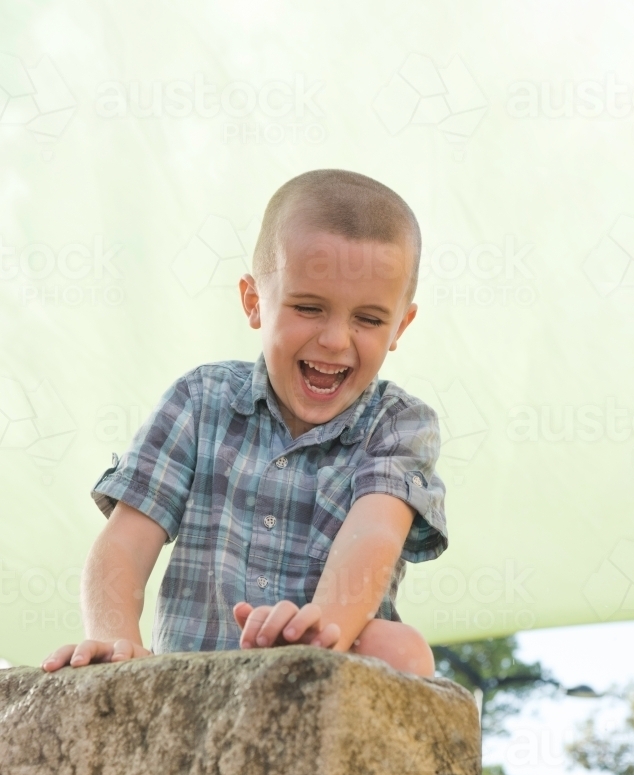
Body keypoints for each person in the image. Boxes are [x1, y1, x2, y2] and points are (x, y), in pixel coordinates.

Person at [41, 168, 447, 678]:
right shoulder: (201, 400)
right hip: (196, 679)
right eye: (308, 307)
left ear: (400, 326)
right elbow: (124, 543)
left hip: (326, 669)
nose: (336, 340)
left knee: (401, 650)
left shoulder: (397, 424)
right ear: (255, 302)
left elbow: (374, 537)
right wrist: (113, 639)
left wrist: (316, 633)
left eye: (368, 319)